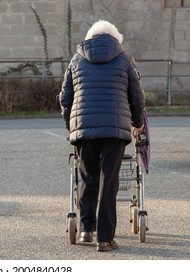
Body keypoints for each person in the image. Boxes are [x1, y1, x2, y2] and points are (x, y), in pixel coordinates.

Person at [60, 20, 145, 252]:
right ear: (115, 38)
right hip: (114, 129)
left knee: (88, 179)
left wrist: (71, 125)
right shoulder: (125, 58)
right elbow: (136, 97)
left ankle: (87, 230)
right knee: (109, 183)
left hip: (84, 129)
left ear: (90, 37)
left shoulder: (76, 59)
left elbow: (65, 97)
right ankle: (105, 239)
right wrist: (138, 123)